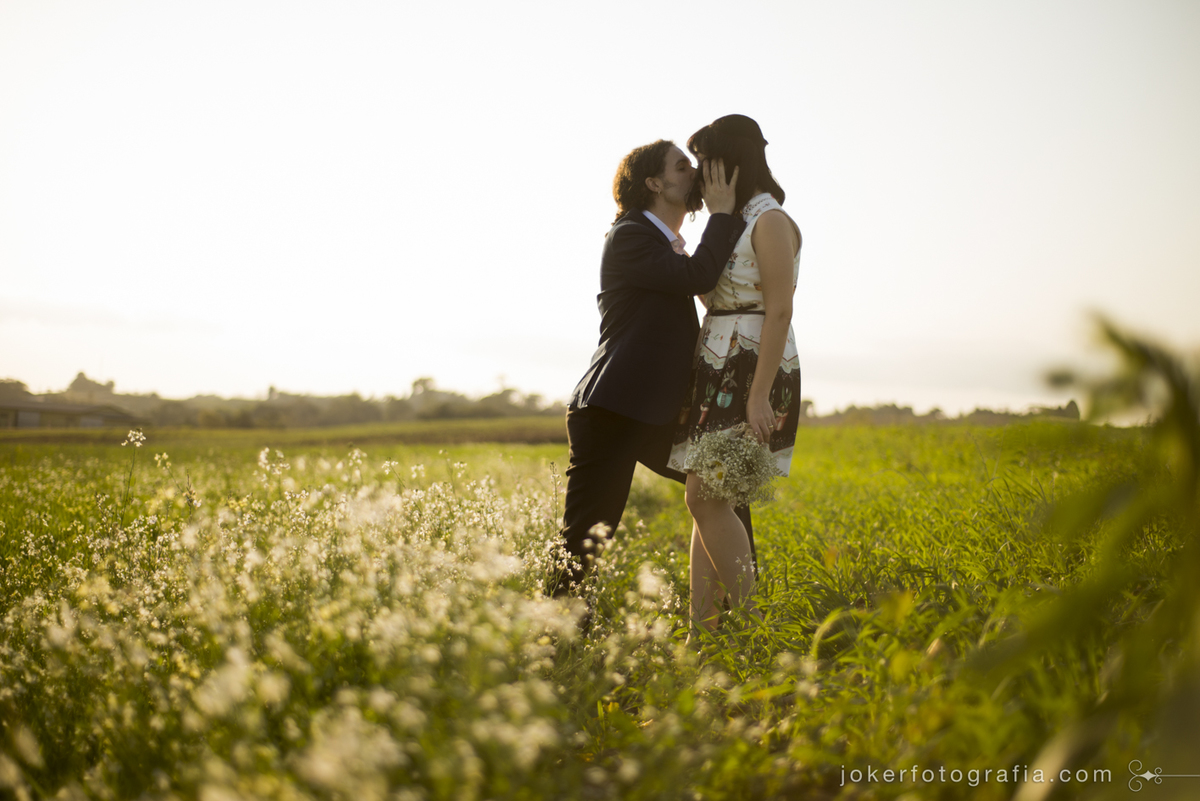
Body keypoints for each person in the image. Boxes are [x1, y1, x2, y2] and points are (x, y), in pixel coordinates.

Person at [551, 139, 758, 598]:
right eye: (683, 167)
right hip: (612, 411)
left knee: (723, 496)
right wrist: (722, 213)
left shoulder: (669, 246)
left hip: (657, 411)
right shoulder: (629, 235)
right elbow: (697, 279)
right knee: (583, 543)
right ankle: (553, 649)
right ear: (654, 183)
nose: (696, 173)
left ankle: (729, 628)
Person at [668, 115, 802, 637]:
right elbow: (717, 297)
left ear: (731, 162)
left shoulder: (769, 219)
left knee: (704, 497)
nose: (699, 172)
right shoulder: (734, 217)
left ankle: (753, 627)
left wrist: (759, 395)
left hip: (752, 368)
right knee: (707, 501)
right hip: (718, 362)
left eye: (706, 161)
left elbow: (779, 310)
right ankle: (705, 634)